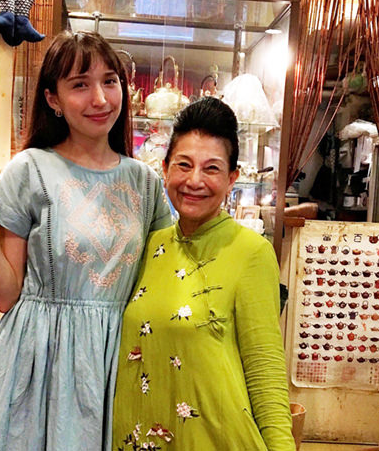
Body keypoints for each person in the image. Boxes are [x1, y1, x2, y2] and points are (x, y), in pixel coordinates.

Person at [0, 31, 172, 451]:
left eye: (109, 81)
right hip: (36, 360)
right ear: (53, 99)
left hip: (115, 359)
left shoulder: (145, 183)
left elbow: (159, 281)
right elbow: (5, 296)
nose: (100, 99)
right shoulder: (30, 169)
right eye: (80, 85)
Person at [112, 97, 296, 451]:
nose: (194, 180)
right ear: (165, 169)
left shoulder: (251, 252)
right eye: (184, 165)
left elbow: (265, 372)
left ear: (232, 179)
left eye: (211, 169)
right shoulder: (149, 246)